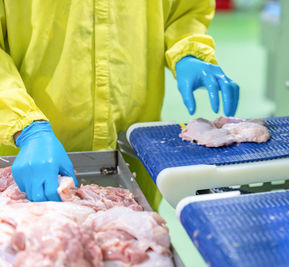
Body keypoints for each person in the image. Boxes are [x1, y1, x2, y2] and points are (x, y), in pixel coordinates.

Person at [0, 1, 239, 203]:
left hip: (131, 151)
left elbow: (185, 10)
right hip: (25, 158)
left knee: (129, 241)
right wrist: (25, 126)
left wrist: (187, 50)